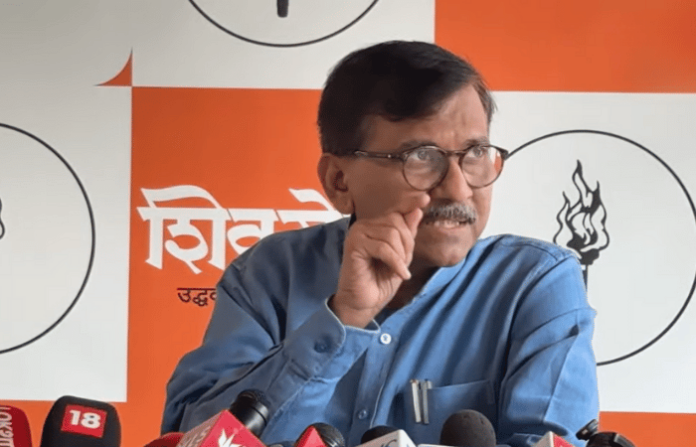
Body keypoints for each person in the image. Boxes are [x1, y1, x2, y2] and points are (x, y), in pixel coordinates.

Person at [161, 41, 599, 447]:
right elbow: (194, 435)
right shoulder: (270, 273)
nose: (458, 189)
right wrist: (343, 318)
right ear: (339, 181)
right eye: (422, 158)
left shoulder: (534, 283)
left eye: (475, 154)